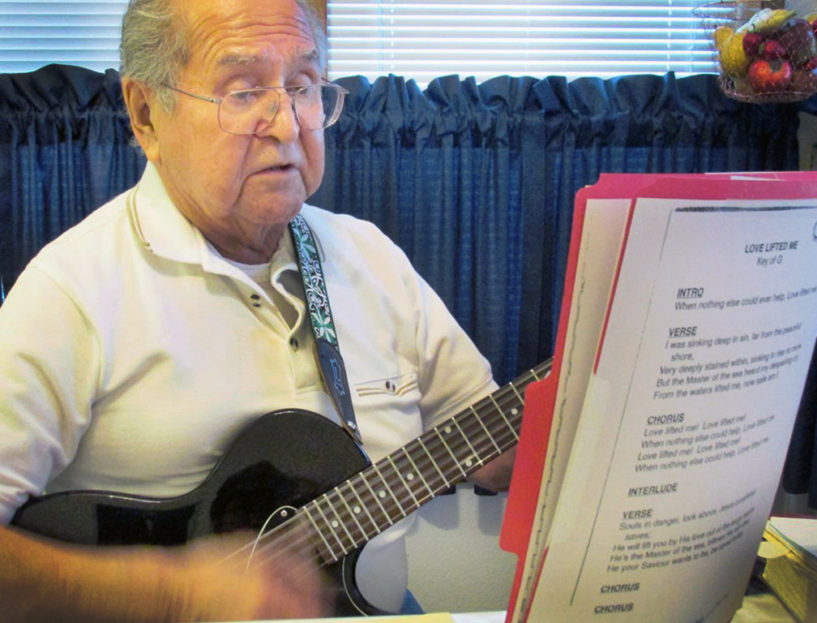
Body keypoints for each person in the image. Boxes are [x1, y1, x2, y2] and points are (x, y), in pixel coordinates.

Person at [0, 0, 514, 621]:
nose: (288, 124)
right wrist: (173, 594)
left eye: (302, 87)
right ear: (145, 115)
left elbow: (492, 448)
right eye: (243, 92)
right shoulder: (72, 291)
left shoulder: (371, 256)